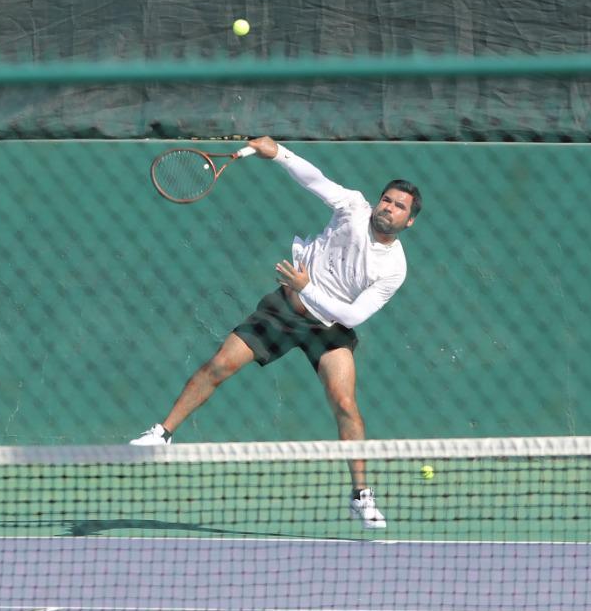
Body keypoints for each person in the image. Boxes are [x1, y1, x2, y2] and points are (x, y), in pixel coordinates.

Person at [131, 135, 420, 529]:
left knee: (345, 404)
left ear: (409, 221)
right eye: (387, 199)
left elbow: (352, 317)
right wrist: (279, 153)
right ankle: (162, 435)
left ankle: (361, 496)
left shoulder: (394, 268)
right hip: (286, 310)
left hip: (330, 328)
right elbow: (314, 179)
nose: (388, 207)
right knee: (219, 365)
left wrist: (308, 288)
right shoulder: (353, 207)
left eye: (399, 206)